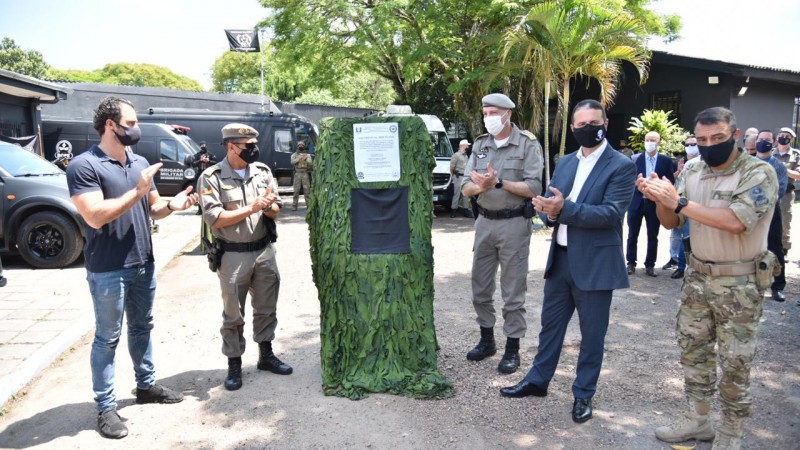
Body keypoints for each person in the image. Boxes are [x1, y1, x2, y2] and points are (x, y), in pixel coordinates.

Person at [640, 107, 778, 449]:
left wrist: (680, 202)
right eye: (701, 139)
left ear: (734, 134)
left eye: (717, 138)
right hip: (698, 277)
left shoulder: (758, 172)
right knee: (693, 351)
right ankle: (699, 419)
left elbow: (735, 221)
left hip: (740, 283)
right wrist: (660, 198)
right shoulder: (693, 170)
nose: (707, 145)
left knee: (735, 362)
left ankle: (731, 432)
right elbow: (673, 222)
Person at [66, 96, 198, 439]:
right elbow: (94, 216)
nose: (135, 129)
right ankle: (106, 408)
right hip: (108, 268)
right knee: (107, 338)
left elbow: (153, 210)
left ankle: (146, 386)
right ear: (111, 124)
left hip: (144, 262)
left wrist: (174, 204)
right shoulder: (84, 166)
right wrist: (139, 190)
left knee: (143, 328)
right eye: (131, 123)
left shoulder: (138, 160)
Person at [499, 99, 636, 424]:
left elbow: (612, 214)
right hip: (560, 262)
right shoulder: (566, 162)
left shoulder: (621, 165)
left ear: (605, 123)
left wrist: (564, 210)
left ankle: (583, 395)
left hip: (595, 264)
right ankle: (537, 380)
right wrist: (545, 210)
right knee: (551, 327)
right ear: (573, 128)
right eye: (581, 124)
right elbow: (553, 200)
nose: (589, 128)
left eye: (595, 121)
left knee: (592, 336)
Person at [198, 123, 293, 392]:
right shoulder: (212, 177)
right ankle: (234, 364)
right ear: (231, 146)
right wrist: (253, 207)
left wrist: (269, 206)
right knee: (233, 314)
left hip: (264, 251)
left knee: (266, 307)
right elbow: (215, 218)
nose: (254, 150)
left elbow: (275, 210)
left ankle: (266, 356)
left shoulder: (262, 172)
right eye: (248, 146)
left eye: (254, 145)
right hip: (233, 255)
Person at [460, 93, 543, 374]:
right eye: (485, 112)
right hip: (484, 222)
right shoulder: (481, 145)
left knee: (513, 290)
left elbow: (534, 187)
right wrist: (480, 187)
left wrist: (499, 183)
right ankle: (487, 340)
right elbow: (465, 186)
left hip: (513, 224)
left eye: (493, 112)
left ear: (508, 113)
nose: (488, 117)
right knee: (480, 287)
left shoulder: (527, 144)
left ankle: (512, 348)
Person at [626, 131, 675, 276]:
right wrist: (635, 184)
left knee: (653, 235)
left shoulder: (666, 161)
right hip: (636, 202)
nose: (649, 143)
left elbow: (670, 181)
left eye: (652, 140)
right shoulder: (635, 159)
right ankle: (631, 263)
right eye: (647, 140)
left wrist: (659, 187)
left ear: (658, 142)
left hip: (655, 203)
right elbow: (627, 179)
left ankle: (650, 265)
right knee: (632, 234)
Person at [755, 130, 788, 302]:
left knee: (775, 248)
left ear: (774, 143)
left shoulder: (779, 166)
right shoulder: (748, 164)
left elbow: (780, 190)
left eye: (767, 140)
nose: (763, 142)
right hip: (749, 212)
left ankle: (778, 287)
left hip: (771, 212)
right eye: (760, 139)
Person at [664, 135, 699, 279]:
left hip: (698, 207)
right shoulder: (684, 163)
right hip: (683, 205)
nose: (690, 147)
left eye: (693, 144)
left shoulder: (702, 163)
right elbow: (676, 185)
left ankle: (693, 269)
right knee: (682, 238)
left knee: (691, 238)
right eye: (688, 144)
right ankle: (680, 266)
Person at [773, 127, 800, 254]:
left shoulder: (796, 155)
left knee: (785, 220)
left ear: (791, 139)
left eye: (787, 136)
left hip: (786, 193)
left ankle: (784, 249)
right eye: (782, 135)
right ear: (777, 137)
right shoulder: (771, 153)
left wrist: (784, 169)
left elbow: (798, 175)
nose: (784, 137)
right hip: (770, 191)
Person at [191, 141, 216, 214]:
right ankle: (200, 210)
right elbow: (193, 164)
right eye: (202, 145)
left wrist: (209, 161)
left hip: (208, 176)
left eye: (204, 145)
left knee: (208, 192)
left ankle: (208, 208)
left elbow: (216, 163)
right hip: (199, 175)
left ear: (207, 146)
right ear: (200, 146)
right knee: (199, 192)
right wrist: (200, 160)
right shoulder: (197, 155)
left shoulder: (210, 154)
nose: (203, 147)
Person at [449, 139, 472, 218]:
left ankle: (466, 210)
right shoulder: (456, 155)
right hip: (458, 176)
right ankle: (453, 210)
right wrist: (454, 176)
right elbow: (452, 167)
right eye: (467, 145)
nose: (468, 146)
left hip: (465, 176)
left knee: (466, 194)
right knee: (457, 194)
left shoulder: (465, 155)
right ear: (463, 146)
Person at [290, 141, 313, 211]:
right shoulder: (294, 155)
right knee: (296, 191)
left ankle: (309, 206)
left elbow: (310, 163)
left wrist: (305, 158)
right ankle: (294, 206)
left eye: (302, 145)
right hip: (297, 174)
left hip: (305, 174)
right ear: (297, 146)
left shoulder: (308, 155)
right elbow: (292, 162)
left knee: (307, 191)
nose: (301, 146)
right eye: (299, 145)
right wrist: (299, 158)